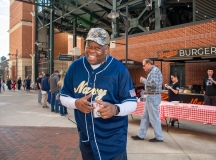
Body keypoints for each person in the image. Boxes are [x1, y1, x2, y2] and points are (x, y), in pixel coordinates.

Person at [60, 28, 137, 160]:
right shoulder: (75, 67)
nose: (91, 51)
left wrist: (115, 109)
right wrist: (75, 103)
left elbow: (132, 103)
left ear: (106, 49)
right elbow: (63, 96)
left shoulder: (119, 70)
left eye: (97, 47)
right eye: (89, 45)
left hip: (113, 140)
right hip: (87, 138)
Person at [131, 58, 164, 142]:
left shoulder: (154, 71)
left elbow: (154, 84)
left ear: (149, 64)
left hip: (153, 97)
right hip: (150, 96)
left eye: (144, 65)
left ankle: (159, 137)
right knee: (145, 117)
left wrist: (144, 80)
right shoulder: (153, 71)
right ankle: (141, 135)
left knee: (154, 118)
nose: (143, 67)